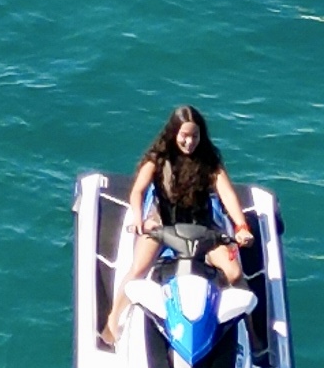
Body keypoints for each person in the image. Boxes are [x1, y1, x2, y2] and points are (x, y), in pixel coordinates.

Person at [102, 105, 253, 347]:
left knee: (234, 273)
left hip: (201, 227)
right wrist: (139, 218)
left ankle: (252, 332)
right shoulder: (158, 158)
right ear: (174, 133)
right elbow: (138, 191)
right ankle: (112, 320)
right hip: (164, 226)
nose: (190, 141)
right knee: (138, 268)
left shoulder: (209, 160)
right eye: (185, 135)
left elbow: (227, 193)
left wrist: (241, 226)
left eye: (195, 136)